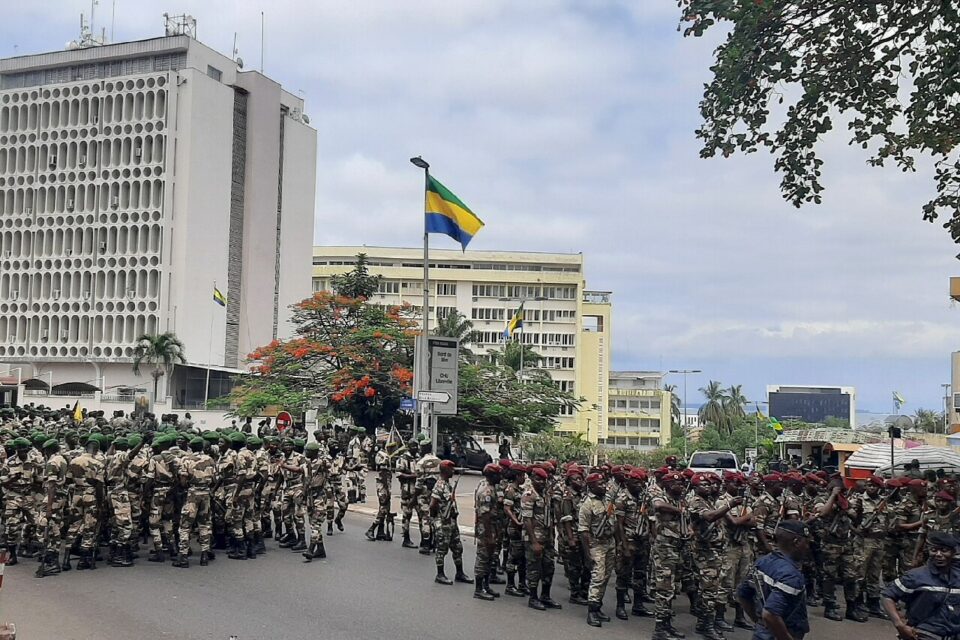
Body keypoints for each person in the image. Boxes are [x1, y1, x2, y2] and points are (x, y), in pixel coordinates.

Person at [737, 520, 811, 640]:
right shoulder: (791, 575)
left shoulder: (763, 561)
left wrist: (759, 622)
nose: (807, 547)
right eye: (806, 543)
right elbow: (770, 614)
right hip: (783, 632)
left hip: (761, 634)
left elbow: (743, 594)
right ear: (796, 542)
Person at [881, 530, 960, 640]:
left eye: (944, 550)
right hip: (924, 634)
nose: (938, 555)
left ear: (953, 552)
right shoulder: (916, 576)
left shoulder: (957, 577)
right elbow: (887, 596)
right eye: (934, 550)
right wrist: (899, 625)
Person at [579, 472, 616, 627]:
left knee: (606, 577)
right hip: (596, 544)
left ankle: (598, 606)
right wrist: (588, 554)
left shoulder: (607, 499)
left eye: (604, 483)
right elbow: (583, 531)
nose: (604, 486)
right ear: (591, 486)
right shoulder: (587, 504)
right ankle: (592, 611)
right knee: (597, 578)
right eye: (599, 484)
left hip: (609, 543)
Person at [430, 459, 470, 586]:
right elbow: (432, 505)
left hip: (452, 522)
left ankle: (460, 573)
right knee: (441, 549)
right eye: (451, 469)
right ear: (445, 470)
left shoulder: (448, 484)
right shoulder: (440, 485)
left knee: (458, 547)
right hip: (443, 522)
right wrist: (438, 519)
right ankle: (440, 574)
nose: (453, 471)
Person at [473, 463, 501, 601]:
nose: (500, 476)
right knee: (483, 558)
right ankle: (478, 589)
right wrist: (490, 536)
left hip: (491, 528)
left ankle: (486, 585)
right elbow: (485, 516)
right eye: (498, 474)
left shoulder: (490, 487)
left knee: (490, 558)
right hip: (486, 530)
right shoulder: (487, 492)